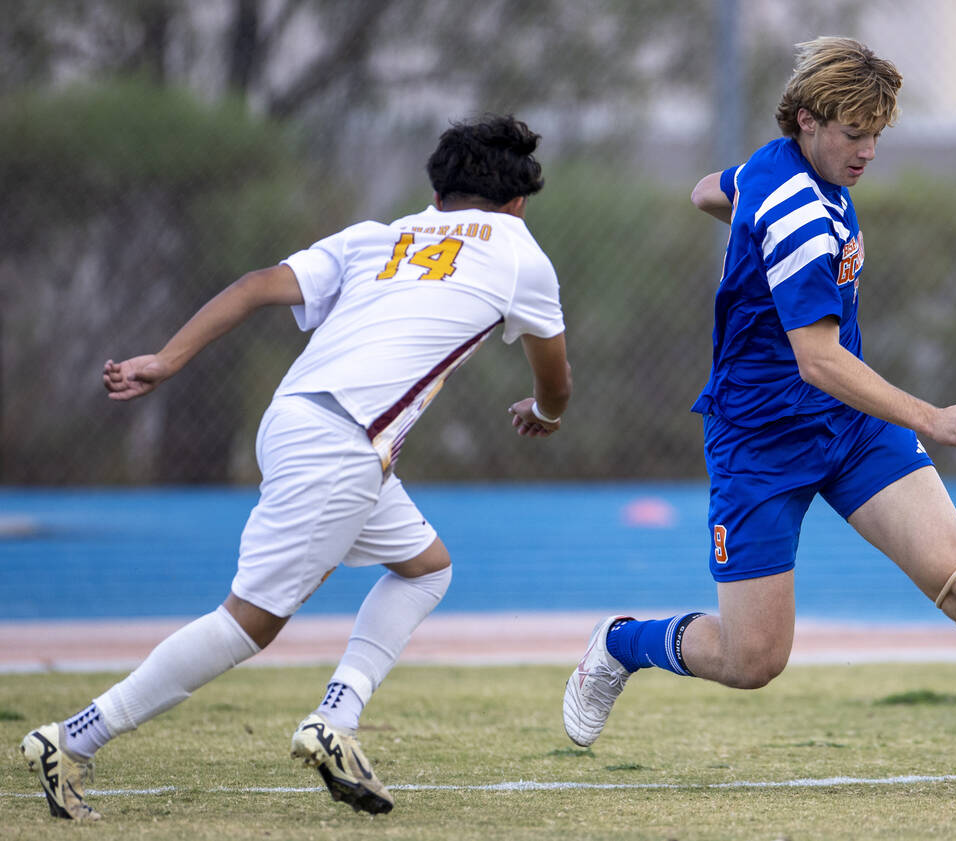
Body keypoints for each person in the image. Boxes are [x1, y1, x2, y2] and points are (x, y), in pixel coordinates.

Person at [562, 37, 956, 797]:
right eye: (854, 133)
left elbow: (705, 192)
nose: (869, 150)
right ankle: (621, 643)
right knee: (754, 660)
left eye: (877, 133)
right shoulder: (797, 215)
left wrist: (750, 231)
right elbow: (817, 360)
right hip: (761, 442)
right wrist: (930, 416)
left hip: (850, 428)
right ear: (807, 122)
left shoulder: (773, 171)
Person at [20, 114, 572, 820]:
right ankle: (71, 738)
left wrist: (166, 359)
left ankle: (335, 719)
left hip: (298, 419)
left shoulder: (379, 235)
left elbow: (255, 285)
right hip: (344, 444)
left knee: (427, 566)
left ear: (436, 193)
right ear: (520, 201)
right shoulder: (522, 252)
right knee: (249, 621)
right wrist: (544, 415)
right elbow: (555, 382)